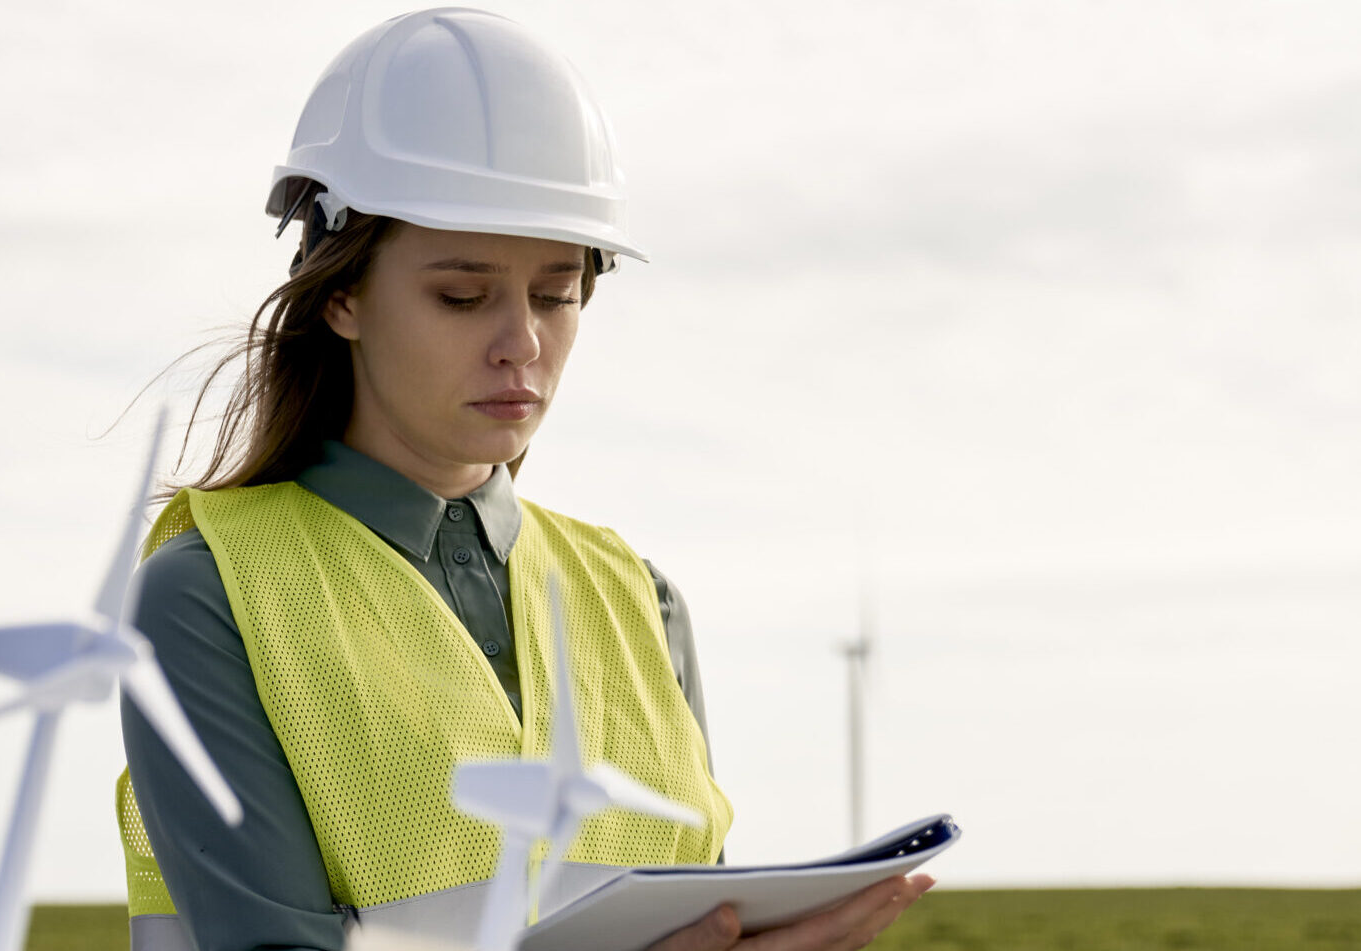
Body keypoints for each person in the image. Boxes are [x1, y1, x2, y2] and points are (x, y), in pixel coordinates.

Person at [114, 9, 932, 951]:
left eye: (558, 292)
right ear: (341, 294)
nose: (524, 345)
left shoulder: (640, 597)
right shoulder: (208, 592)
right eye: (462, 296)